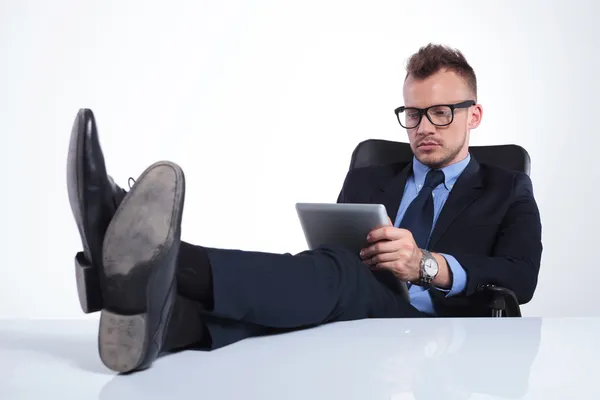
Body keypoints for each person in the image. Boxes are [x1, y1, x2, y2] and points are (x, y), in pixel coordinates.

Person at [66, 43, 543, 374]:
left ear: (473, 115)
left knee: (337, 276)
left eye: (441, 113)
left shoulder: (509, 186)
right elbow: (332, 263)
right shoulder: (371, 174)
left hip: (441, 331)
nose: (423, 127)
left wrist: (425, 265)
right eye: (412, 114)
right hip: (356, 304)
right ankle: (163, 328)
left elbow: (520, 278)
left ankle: (149, 257)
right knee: (330, 274)